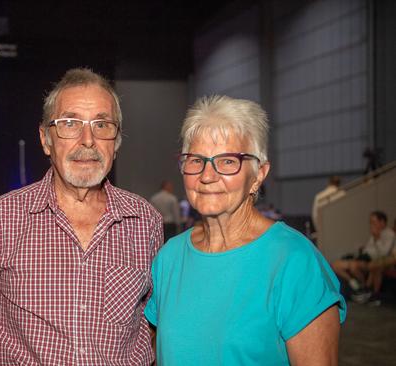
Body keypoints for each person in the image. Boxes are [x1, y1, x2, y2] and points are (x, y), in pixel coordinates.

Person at [0, 68, 164, 365]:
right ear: (46, 139)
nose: (88, 140)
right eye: (70, 124)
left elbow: (152, 324)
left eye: (102, 125)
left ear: (116, 142)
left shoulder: (145, 221)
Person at [144, 95, 346, 365]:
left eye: (228, 161)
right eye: (195, 160)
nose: (207, 175)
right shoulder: (169, 258)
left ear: (259, 174)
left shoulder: (294, 262)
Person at [332, 211, 395, 304]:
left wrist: (376, 237)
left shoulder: (389, 234)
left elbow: (383, 253)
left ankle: (363, 289)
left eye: (374, 222)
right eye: (370, 222)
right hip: (363, 258)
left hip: (372, 260)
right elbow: (368, 249)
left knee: (353, 266)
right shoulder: (374, 234)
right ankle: (355, 285)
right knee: (335, 265)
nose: (371, 225)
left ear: (382, 222)